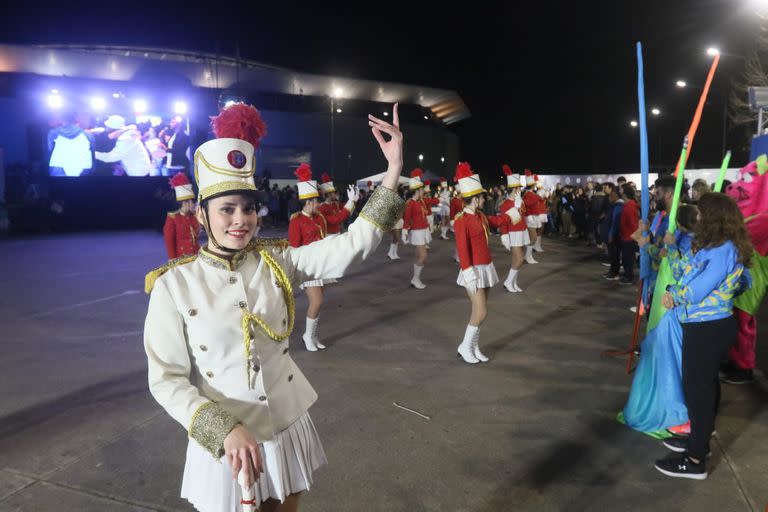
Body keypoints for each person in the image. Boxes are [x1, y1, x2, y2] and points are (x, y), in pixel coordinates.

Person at [143, 103, 405, 511]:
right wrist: (222, 429)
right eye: (226, 209)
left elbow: (354, 245)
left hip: (286, 423)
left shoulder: (277, 261)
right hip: (227, 438)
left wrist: (392, 171)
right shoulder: (174, 286)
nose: (240, 220)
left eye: (247, 208)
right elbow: (166, 380)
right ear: (201, 214)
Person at [654, 193, 752, 480]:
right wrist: (672, 253)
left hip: (708, 327)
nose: (696, 217)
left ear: (713, 218)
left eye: (700, 213)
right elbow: (689, 273)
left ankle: (695, 458)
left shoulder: (723, 250)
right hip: (704, 325)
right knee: (703, 386)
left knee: (698, 389)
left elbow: (697, 290)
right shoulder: (715, 247)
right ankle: (700, 438)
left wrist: (674, 295)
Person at [289, 164, 360, 352]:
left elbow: (337, 220)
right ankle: (307, 336)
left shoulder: (319, 217)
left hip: (321, 264)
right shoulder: (296, 221)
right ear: (307, 202)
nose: (317, 204)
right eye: (314, 201)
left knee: (319, 302)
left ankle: (311, 335)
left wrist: (351, 202)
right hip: (309, 266)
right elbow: (294, 247)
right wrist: (296, 271)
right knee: (317, 301)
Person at [453, 162, 517, 363]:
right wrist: (468, 271)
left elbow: (497, 222)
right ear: (474, 199)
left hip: (486, 267)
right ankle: (465, 346)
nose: (484, 198)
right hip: (472, 270)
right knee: (481, 312)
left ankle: (474, 347)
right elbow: (463, 250)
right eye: (481, 196)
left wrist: (514, 211)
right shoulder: (461, 220)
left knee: (478, 312)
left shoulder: (480, 215)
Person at [402, 168, 440, 288]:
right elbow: (407, 219)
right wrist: (404, 231)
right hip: (417, 232)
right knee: (423, 256)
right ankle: (415, 278)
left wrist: (441, 199)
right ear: (417, 190)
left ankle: (415, 279)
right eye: (422, 189)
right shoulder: (411, 203)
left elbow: (429, 202)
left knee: (419, 256)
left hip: (423, 230)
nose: (423, 190)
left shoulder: (421, 201)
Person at [498, 165, 529, 292]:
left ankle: (513, 283)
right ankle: (508, 281)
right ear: (513, 189)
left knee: (516, 259)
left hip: (521, 230)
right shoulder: (505, 204)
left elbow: (523, 214)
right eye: (518, 188)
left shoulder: (519, 200)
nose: (520, 190)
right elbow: (503, 222)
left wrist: (519, 204)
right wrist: (504, 235)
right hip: (513, 233)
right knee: (520, 259)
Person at [163, 172, 201, 260]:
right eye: (192, 202)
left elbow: (198, 233)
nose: (194, 204)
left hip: (196, 255)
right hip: (181, 257)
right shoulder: (172, 218)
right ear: (185, 203)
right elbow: (169, 241)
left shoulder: (194, 216)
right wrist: (172, 259)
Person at [47, 112, 93, 176]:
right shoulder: (88, 135)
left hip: (58, 165)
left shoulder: (53, 133)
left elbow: (49, 150)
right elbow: (93, 154)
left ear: (61, 119)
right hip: (83, 166)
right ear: (76, 119)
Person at [618, 184, 639, 285]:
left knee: (628, 259)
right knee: (627, 258)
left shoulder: (629, 206)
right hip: (627, 236)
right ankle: (627, 275)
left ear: (625, 194)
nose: (620, 193)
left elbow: (632, 224)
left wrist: (633, 236)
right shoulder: (629, 205)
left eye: (622, 191)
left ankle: (628, 277)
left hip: (628, 237)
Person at [522, 171, 540, 264]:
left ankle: (528, 256)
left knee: (533, 238)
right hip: (530, 217)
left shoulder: (531, 193)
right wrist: (536, 198)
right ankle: (528, 256)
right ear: (532, 185)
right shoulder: (528, 194)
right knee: (533, 238)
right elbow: (527, 204)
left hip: (533, 217)